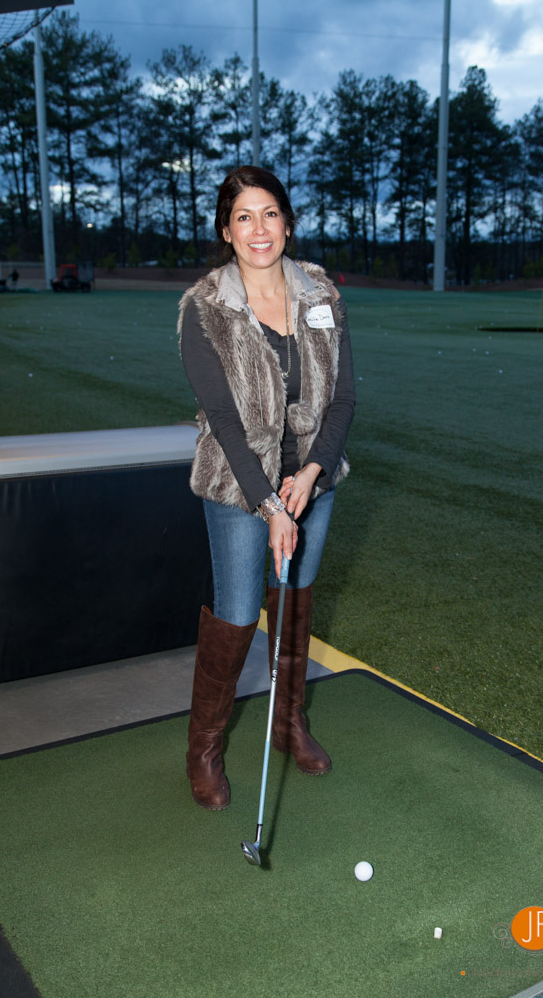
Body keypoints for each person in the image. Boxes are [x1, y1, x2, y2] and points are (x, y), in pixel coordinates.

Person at [179, 166, 356, 810]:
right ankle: (204, 748)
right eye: (244, 217)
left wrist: (310, 475)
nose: (260, 229)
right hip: (238, 483)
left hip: (312, 478)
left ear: (288, 222)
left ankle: (288, 723)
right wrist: (269, 503)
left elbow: (343, 399)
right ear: (226, 231)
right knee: (236, 612)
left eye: (271, 213)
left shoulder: (321, 295)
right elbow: (224, 421)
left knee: (296, 601)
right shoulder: (204, 308)